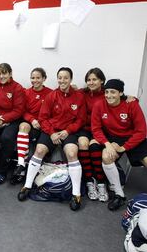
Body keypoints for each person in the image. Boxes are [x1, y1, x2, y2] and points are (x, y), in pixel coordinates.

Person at [18, 67, 86, 211]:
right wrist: (52, 133)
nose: (62, 80)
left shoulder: (79, 97)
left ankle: (76, 194)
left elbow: (81, 120)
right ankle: (27, 186)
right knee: (40, 149)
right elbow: (43, 118)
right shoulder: (52, 95)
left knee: (72, 153)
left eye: (65, 78)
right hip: (51, 131)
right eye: (60, 77)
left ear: (71, 79)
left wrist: (68, 131)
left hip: (68, 131)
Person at [91, 79, 147, 211]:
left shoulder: (131, 105)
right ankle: (119, 195)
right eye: (107, 92)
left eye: (113, 92)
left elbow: (141, 131)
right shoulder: (99, 105)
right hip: (113, 138)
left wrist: (124, 147)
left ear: (121, 93)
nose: (109, 95)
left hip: (133, 138)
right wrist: (107, 144)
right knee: (106, 156)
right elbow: (96, 129)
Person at [10, 68, 52, 185]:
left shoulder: (50, 93)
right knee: (23, 126)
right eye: (33, 78)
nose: (35, 80)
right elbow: (22, 111)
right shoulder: (26, 93)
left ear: (44, 78)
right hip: (30, 122)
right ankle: (21, 163)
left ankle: (26, 170)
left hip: (43, 124)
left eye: (38, 78)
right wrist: (32, 120)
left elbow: (52, 113)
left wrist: (41, 121)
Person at [76, 68, 109, 202]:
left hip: (100, 129)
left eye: (94, 79)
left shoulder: (107, 93)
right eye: (88, 80)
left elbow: (121, 97)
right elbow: (68, 91)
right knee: (83, 144)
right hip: (85, 128)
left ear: (101, 80)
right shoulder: (83, 93)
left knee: (93, 146)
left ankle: (101, 183)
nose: (91, 82)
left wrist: (131, 98)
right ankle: (90, 181)